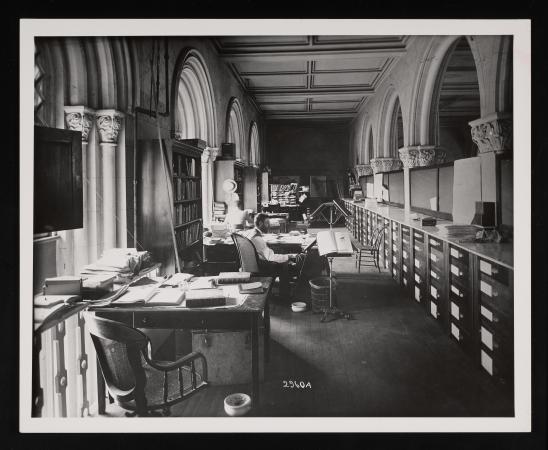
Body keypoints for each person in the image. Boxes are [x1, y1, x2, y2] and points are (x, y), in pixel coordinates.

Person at [242, 213, 305, 299]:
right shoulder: (257, 238)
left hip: (251, 266)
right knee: (284, 265)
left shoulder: (250, 233)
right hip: (260, 267)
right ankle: (284, 296)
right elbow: (270, 257)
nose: (269, 226)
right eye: (267, 223)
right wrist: (289, 256)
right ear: (260, 223)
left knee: (281, 258)